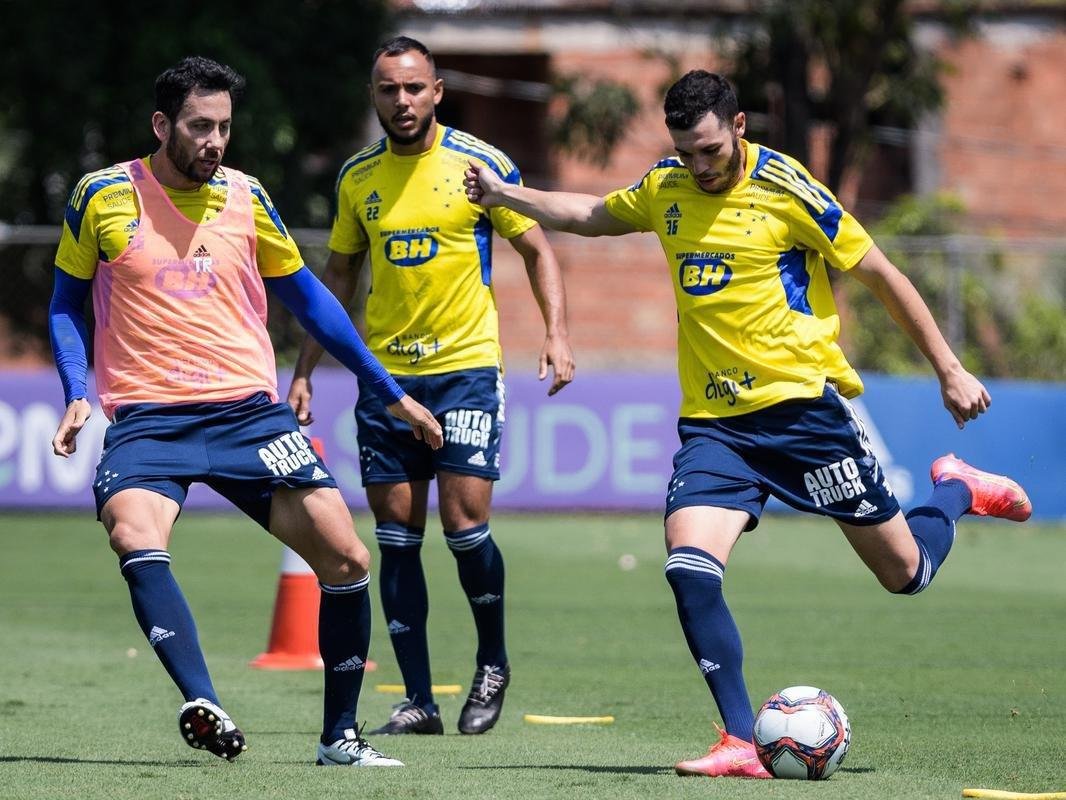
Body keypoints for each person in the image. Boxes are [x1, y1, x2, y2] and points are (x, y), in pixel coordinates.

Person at [465, 70, 1032, 777]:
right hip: (716, 426)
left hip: (803, 414)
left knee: (906, 574)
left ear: (738, 128)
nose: (698, 167)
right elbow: (589, 213)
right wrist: (503, 194)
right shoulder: (666, 187)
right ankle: (741, 740)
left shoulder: (789, 189)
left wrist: (948, 368)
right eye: (685, 153)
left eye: (708, 150)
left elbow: (881, 274)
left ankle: (957, 489)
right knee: (688, 566)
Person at [48, 55, 444, 768]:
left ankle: (339, 739)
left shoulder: (247, 196)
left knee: (348, 556)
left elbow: (312, 303)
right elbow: (65, 304)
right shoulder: (101, 195)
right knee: (132, 532)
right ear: (162, 124)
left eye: (225, 128)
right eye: (200, 127)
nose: (215, 143)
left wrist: (390, 390)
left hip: (248, 415)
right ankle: (204, 701)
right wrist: (77, 392)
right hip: (149, 417)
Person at [287, 36, 575, 737]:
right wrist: (302, 371)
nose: (403, 100)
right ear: (374, 96)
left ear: (438, 91)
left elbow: (536, 247)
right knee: (396, 540)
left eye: (415, 88)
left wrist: (557, 331)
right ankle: (418, 700)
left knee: (465, 524)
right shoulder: (358, 178)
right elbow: (340, 282)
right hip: (387, 381)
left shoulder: (480, 166)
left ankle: (493, 664)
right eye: (390, 89)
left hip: (467, 370)